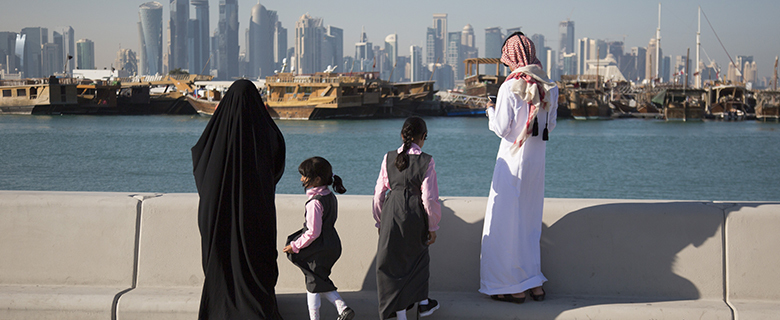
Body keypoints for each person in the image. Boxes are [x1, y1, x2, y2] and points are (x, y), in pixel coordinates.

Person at [191, 79, 286, 319]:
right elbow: (277, 160)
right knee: (255, 257)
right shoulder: (265, 130)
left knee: (221, 257)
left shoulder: (215, 133)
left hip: (217, 208)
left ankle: (220, 306)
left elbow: (199, 161)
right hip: (255, 209)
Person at [480, 32, 559, 303]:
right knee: (529, 224)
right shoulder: (551, 86)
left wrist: (490, 111)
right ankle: (534, 283)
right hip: (537, 166)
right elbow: (551, 126)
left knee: (504, 224)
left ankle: (512, 287)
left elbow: (502, 129)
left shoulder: (509, 87)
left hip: (512, 165)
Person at [372, 116, 441, 320]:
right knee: (417, 261)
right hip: (414, 212)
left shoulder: (388, 157)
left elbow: (378, 194)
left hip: (391, 210)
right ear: (423, 137)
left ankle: (400, 314)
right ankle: (423, 304)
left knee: (393, 265)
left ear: (402, 135)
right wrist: (433, 226)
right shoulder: (427, 161)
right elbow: (429, 198)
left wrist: (379, 220)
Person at [283, 157, 355, 320]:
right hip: (331, 243)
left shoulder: (314, 203)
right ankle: (342, 307)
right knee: (317, 279)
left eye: (305, 175)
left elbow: (313, 232)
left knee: (313, 283)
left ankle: (325, 314)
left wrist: (294, 246)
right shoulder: (329, 196)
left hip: (318, 247)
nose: (301, 179)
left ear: (317, 179)